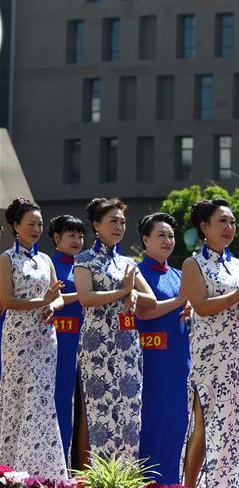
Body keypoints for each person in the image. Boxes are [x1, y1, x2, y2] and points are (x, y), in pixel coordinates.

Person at [180, 198, 239, 488]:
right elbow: (200, 306)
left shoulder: (238, 263)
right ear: (204, 228)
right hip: (210, 355)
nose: (230, 228)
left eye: (232, 222)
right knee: (206, 423)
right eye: (222, 222)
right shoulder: (192, 263)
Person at [74, 197, 156, 463]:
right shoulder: (84, 259)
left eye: (122, 221)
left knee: (130, 414)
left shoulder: (128, 262)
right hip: (97, 345)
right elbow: (86, 298)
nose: (119, 226)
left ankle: (126, 481)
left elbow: (151, 300)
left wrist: (133, 295)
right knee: (101, 416)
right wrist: (123, 291)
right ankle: (101, 484)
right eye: (113, 221)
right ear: (96, 225)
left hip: (127, 344)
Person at [0, 198, 67, 478]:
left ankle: (42, 471)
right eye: (31, 224)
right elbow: (6, 300)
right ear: (16, 226)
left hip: (45, 336)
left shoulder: (45, 259)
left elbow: (59, 297)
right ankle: (10, 469)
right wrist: (42, 301)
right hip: (18, 337)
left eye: (40, 224)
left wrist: (51, 306)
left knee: (41, 399)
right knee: (17, 398)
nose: (37, 229)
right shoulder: (6, 259)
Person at [135, 213, 191, 485]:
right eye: (161, 235)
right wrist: (181, 300)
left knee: (176, 420)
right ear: (145, 240)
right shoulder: (135, 272)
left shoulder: (180, 275)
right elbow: (145, 311)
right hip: (148, 360)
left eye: (170, 236)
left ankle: (171, 486)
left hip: (177, 360)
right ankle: (145, 486)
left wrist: (188, 306)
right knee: (149, 421)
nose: (168, 240)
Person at [48, 214, 85, 463]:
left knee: (83, 410)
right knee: (59, 404)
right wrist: (84, 294)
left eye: (81, 236)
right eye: (71, 235)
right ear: (56, 238)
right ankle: (56, 467)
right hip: (57, 345)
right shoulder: (48, 265)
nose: (77, 240)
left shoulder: (84, 266)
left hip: (85, 344)